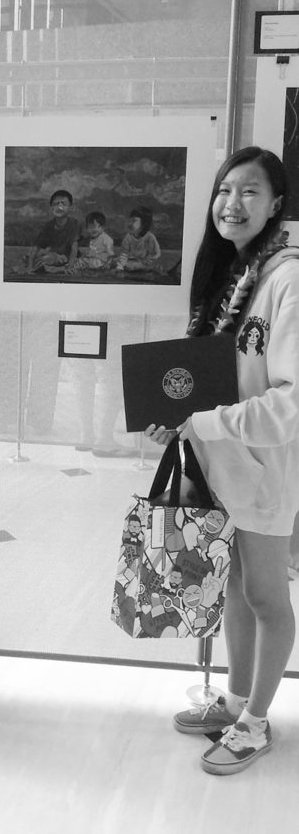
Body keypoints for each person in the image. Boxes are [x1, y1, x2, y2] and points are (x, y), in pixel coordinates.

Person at [145, 146, 299, 775]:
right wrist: (176, 422)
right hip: (221, 466)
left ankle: (257, 724)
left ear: (277, 205)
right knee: (235, 585)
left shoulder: (288, 279)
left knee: (265, 595)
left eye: (250, 193)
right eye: (224, 191)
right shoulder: (235, 276)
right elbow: (211, 380)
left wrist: (205, 421)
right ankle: (236, 700)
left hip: (265, 470)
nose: (232, 205)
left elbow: (292, 399)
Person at [26, 189, 81, 273]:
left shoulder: (74, 223)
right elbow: (36, 246)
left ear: (70, 207)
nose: (59, 207)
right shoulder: (48, 226)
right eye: (56, 204)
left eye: (63, 203)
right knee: (31, 257)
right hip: (52, 255)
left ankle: (56, 269)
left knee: (45, 259)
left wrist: (70, 266)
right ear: (51, 208)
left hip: (65, 257)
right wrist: (29, 267)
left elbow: (74, 247)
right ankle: (45, 267)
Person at [64, 211, 113, 275]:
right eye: (90, 227)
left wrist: (108, 264)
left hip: (100, 261)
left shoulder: (106, 239)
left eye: (95, 227)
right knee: (78, 260)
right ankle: (72, 268)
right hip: (91, 259)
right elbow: (90, 251)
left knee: (84, 262)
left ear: (102, 228)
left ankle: (74, 269)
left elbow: (110, 254)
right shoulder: (91, 238)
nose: (92, 230)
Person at [114, 205, 161, 273]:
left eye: (134, 221)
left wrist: (143, 263)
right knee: (116, 261)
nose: (129, 223)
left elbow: (155, 255)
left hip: (144, 264)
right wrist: (121, 263)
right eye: (129, 220)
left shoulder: (150, 237)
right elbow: (124, 253)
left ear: (143, 224)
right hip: (131, 263)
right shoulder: (128, 237)